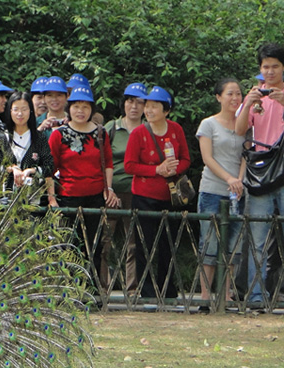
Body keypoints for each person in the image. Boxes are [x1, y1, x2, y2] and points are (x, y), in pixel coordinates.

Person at [235, 42, 284, 304]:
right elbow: (239, 129)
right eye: (265, 67)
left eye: (275, 67)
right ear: (260, 69)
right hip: (260, 174)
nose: (270, 72)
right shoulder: (254, 95)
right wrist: (248, 104)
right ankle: (256, 297)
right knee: (257, 237)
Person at [124, 86, 190, 300]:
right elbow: (129, 165)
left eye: (154, 106)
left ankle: (168, 290)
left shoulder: (176, 130)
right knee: (144, 244)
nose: (149, 110)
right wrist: (156, 170)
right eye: (148, 106)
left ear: (166, 110)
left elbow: (187, 159)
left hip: (170, 196)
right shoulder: (139, 133)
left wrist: (174, 169)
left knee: (167, 244)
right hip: (144, 196)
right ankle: (147, 292)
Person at [48, 86, 119, 276]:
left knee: (94, 246)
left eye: (85, 107)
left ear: (92, 110)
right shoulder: (59, 134)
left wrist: (108, 188)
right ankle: (71, 291)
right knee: (71, 246)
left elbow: (108, 163)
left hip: (95, 197)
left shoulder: (101, 132)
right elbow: (49, 167)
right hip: (68, 197)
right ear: (69, 108)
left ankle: (93, 291)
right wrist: (51, 198)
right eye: (76, 106)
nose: (80, 111)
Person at [196, 77, 247, 302]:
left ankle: (226, 295)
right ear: (218, 97)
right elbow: (207, 158)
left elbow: (247, 155)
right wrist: (229, 178)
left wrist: (239, 180)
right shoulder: (209, 124)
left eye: (238, 93)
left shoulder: (245, 124)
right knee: (210, 243)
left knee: (233, 246)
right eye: (230, 94)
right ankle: (206, 296)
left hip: (237, 192)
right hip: (212, 190)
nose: (235, 98)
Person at [100, 83, 146, 292]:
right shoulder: (111, 127)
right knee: (104, 240)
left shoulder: (148, 129)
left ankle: (132, 289)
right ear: (123, 103)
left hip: (137, 190)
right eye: (130, 101)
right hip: (111, 189)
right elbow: (101, 159)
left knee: (134, 242)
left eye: (139, 102)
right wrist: (106, 188)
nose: (134, 106)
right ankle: (102, 285)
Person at [0, 91, 54, 207]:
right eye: (16, 109)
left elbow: (48, 167)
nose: (20, 114)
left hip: (34, 200)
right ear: (10, 111)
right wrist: (12, 169)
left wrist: (31, 171)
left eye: (24, 109)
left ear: (30, 111)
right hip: (6, 201)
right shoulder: (3, 137)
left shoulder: (39, 138)